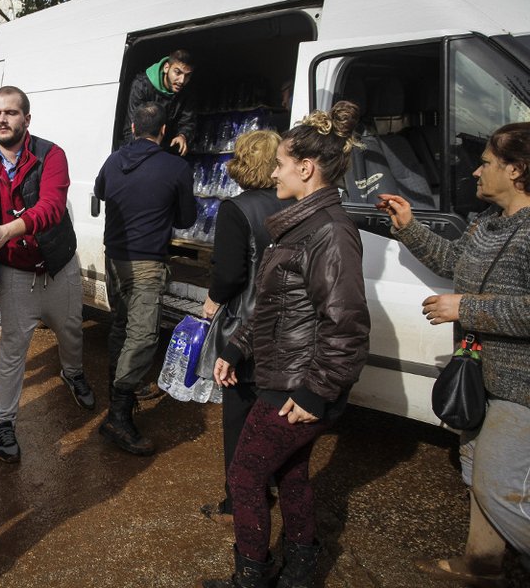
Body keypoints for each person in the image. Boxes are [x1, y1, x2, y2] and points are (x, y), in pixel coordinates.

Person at [202, 101, 371, 588]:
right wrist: (236, 348)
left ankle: (251, 577)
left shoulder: (330, 231)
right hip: (286, 374)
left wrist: (316, 393)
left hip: (298, 383)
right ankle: (300, 568)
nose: (272, 172)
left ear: (306, 168)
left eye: (280, 164)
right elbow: (272, 305)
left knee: (245, 475)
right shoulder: (302, 223)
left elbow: (346, 324)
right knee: (292, 473)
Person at [377, 122, 530, 588]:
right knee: (477, 472)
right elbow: (453, 262)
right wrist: (409, 227)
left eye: (486, 163)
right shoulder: (489, 222)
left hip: (521, 387)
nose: (476, 172)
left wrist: (465, 308)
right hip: (480, 375)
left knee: (499, 487)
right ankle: (482, 565)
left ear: (516, 169)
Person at [0, 85, 95, 463]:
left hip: (58, 264)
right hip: (15, 271)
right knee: (12, 349)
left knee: (71, 330)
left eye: (10, 112)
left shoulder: (51, 154)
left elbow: (52, 207)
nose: (2, 120)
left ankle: (72, 373)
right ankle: (4, 422)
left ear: (26, 118)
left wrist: (6, 230)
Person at [200, 129, 292, 525]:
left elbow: (230, 274)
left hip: (246, 328)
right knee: (275, 415)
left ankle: (238, 500)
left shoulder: (236, 209)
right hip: (287, 327)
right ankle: (270, 483)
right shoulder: (295, 204)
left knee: (238, 418)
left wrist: (212, 300)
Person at [93, 101, 196, 455]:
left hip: (114, 258)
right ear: (163, 132)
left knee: (122, 327)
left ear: (134, 128)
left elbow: (101, 192)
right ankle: (118, 417)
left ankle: (118, 395)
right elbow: (186, 218)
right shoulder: (176, 167)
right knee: (142, 336)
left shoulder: (112, 161)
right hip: (147, 263)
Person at [122, 49, 196, 155]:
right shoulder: (142, 86)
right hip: (140, 150)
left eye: (187, 75)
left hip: (167, 151)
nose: (182, 80)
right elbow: (131, 127)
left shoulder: (186, 92)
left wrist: (183, 136)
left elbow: (188, 122)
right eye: (177, 72)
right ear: (166, 68)